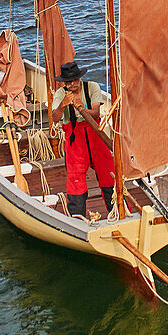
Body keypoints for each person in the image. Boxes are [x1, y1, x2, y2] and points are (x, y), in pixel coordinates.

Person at [51, 60, 115, 218]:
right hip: (75, 143)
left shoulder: (92, 87)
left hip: (96, 137)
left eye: (74, 80)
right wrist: (62, 106)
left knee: (109, 175)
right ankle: (77, 220)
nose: (72, 84)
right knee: (75, 181)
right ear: (64, 82)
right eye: (68, 81)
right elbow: (55, 118)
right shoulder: (60, 94)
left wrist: (82, 107)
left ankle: (118, 212)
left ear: (79, 78)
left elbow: (96, 113)